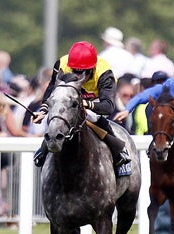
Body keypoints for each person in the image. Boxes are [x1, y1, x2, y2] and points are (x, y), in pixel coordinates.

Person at [31, 41, 132, 174]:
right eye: (75, 71)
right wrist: (42, 111)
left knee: (92, 117)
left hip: (95, 100)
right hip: (69, 97)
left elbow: (108, 107)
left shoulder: (104, 72)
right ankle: (44, 148)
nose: (78, 77)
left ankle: (119, 152)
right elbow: (51, 91)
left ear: (92, 68)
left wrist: (86, 104)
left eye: (83, 72)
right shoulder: (62, 64)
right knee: (60, 117)